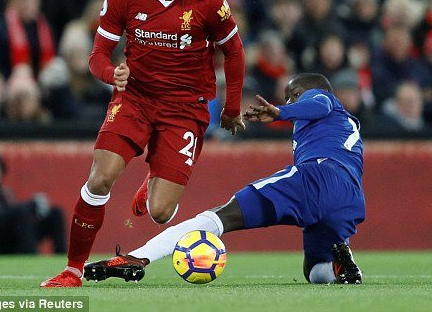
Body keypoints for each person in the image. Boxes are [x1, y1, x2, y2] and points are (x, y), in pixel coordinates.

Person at [41, 0, 245, 287]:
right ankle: (73, 270)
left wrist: (232, 108)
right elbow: (97, 55)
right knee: (100, 178)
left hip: (185, 108)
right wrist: (111, 74)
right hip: (135, 98)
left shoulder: (209, 0)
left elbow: (234, 51)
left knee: (161, 212)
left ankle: (153, 177)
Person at [83, 73, 364, 285]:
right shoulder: (348, 125)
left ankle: (137, 257)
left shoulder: (324, 99)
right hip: (350, 196)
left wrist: (282, 112)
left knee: (218, 217)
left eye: (294, 95)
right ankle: (342, 264)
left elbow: (318, 104)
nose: (290, 101)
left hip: (317, 176)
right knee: (315, 270)